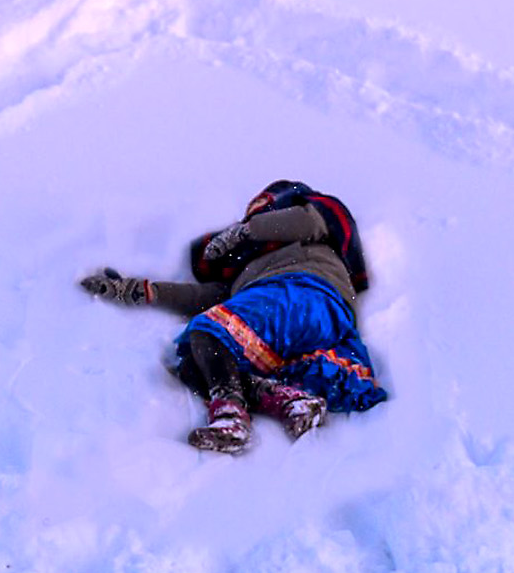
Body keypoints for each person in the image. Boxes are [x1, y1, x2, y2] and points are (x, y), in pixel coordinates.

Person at [80, 180, 389, 453]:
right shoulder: (251, 266)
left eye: (262, 207)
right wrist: (144, 291)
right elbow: (215, 299)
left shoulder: (314, 229)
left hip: (304, 295)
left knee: (207, 333)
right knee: (195, 358)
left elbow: (307, 221)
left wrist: (246, 231)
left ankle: (230, 414)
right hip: (280, 317)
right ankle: (288, 399)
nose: (253, 214)